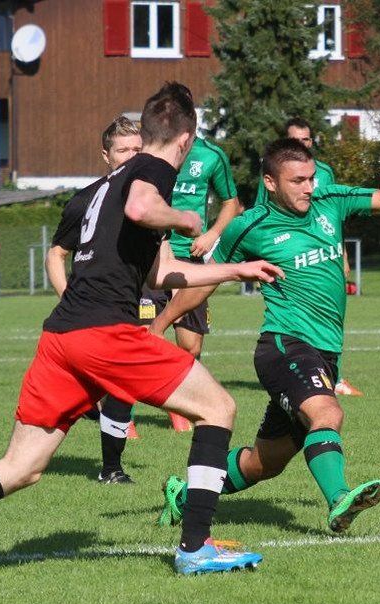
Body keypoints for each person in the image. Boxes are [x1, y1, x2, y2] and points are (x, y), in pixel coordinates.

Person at [0, 82, 282, 574]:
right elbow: (142, 209)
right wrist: (185, 217)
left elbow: (161, 274)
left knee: (20, 467)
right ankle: (196, 547)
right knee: (219, 408)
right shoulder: (153, 169)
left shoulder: (103, 186)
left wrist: (236, 270)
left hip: (62, 337)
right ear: (186, 139)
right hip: (104, 333)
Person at [149, 138, 380, 533]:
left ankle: (184, 495)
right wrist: (159, 325)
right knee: (328, 414)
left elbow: (378, 198)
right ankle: (339, 499)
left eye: (311, 178)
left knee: (264, 463)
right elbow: (205, 280)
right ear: (271, 183)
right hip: (284, 345)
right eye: (297, 181)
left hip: (326, 352)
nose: (309, 187)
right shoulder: (249, 226)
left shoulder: (330, 200)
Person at [45, 115, 143, 484]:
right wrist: (69, 299)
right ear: (106, 155)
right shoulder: (85, 200)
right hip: (92, 310)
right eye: (123, 150)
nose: (131, 157)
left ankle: (108, 460)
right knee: (121, 382)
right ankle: (111, 468)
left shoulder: (148, 198)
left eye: (137, 150)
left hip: (132, 301)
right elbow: (56, 254)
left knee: (121, 384)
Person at [142, 95, 243, 432]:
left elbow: (231, 203)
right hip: (153, 255)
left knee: (191, 344)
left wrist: (211, 234)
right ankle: (121, 416)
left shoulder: (212, 156)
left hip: (192, 258)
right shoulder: (153, 151)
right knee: (144, 336)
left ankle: (178, 400)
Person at [260, 116, 363, 397]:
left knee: (330, 311)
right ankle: (298, 371)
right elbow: (262, 213)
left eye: (306, 139)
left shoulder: (325, 172)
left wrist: (342, 255)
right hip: (287, 256)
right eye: (296, 140)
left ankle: (333, 376)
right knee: (295, 320)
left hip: (323, 254)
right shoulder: (272, 174)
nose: (308, 187)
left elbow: (333, 217)